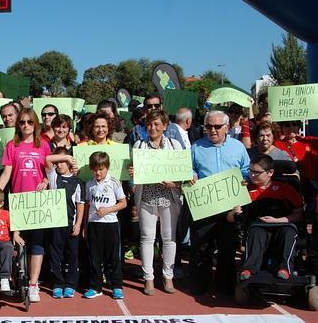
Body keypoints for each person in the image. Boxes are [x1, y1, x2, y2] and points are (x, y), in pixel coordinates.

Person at [189, 110, 250, 295]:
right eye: (209, 126)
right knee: (201, 248)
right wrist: (190, 175)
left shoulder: (238, 147)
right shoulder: (196, 147)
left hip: (230, 207)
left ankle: (224, 286)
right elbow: (188, 169)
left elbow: (246, 170)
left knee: (227, 248)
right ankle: (201, 283)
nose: (213, 130)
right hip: (204, 206)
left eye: (217, 126)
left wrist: (245, 179)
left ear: (227, 127)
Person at [0, 108, 52, 302]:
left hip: (38, 203)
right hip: (17, 201)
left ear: (35, 124)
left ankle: (34, 284)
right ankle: (15, 277)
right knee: (15, 241)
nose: (26, 125)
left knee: (36, 243)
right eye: (22, 122)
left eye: (29, 122)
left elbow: (50, 174)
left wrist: (45, 182)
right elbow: (6, 174)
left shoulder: (44, 146)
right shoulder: (12, 146)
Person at [130, 110, 183, 295]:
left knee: (169, 238)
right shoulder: (139, 145)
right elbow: (133, 172)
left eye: (157, 124)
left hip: (169, 198)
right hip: (146, 197)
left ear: (165, 126)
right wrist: (133, 173)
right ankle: (149, 278)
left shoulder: (174, 145)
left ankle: (168, 276)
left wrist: (174, 183)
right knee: (147, 238)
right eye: (150, 125)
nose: (153, 128)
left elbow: (183, 171)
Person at [226, 155, 303, 282]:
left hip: (282, 227)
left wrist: (277, 221)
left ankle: (284, 268)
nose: (252, 175)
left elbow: (299, 215)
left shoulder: (286, 189)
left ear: (270, 172)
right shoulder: (244, 191)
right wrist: (234, 212)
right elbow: (230, 219)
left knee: (289, 231)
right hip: (258, 228)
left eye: (257, 172)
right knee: (255, 231)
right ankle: (248, 269)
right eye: (250, 171)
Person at [83, 152, 127, 299]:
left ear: (107, 168)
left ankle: (116, 286)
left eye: (101, 169)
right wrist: (85, 226)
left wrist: (108, 209)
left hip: (110, 224)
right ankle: (96, 287)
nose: (98, 172)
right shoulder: (89, 184)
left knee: (113, 256)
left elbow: (123, 203)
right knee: (94, 257)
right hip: (94, 224)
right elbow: (88, 205)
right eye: (95, 169)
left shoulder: (114, 182)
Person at [45, 147, 83, 299]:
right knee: (56, 255)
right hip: (56, 224)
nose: (59, 164)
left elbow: (80, 204)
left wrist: (78, 224)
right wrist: (65, 157)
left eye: (63, 161)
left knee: (72, 256)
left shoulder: (77, 182)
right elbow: (47, 159)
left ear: (70, 163)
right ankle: (58, 283)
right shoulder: (54, 177)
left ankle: (71, 284)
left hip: (71, 224)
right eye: (58, 161)